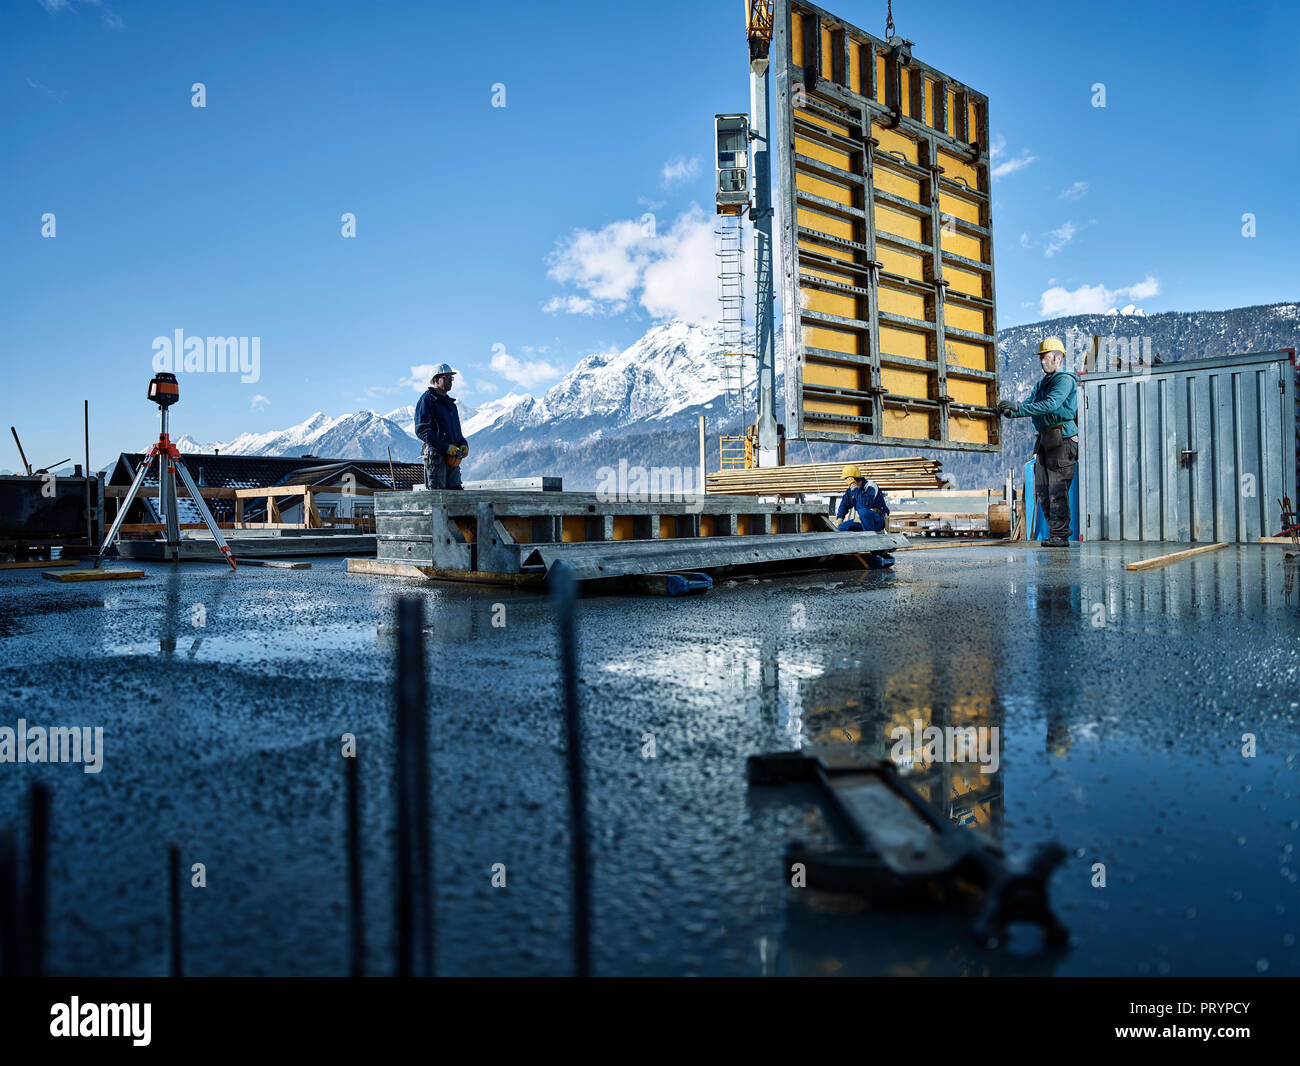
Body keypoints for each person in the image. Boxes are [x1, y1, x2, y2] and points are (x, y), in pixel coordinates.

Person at [998, 337, 1078, 547]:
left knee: (1057, 489)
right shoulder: (1041, 384)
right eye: (1041, 358)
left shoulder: (1064, 380)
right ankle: (1055, 534)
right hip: (1046, 440)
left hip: (1063, 440)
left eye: (1046, 357)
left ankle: (1060, 535)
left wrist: (1018, 408)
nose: (1042, 362)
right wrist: (1010, 412)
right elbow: (1028, 404)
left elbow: (1051, 405)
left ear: (1058, 357)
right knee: (1043, 489)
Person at [414, 363, 468, 490]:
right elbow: (421, 430)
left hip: (452, 458)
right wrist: (445, 446)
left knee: (456, 497)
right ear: (436, 380)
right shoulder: (427, 400)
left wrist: (463, 443)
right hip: (436, 458)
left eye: (451, 378)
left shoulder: (451, 405)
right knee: (439, 498)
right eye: (447, 377)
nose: (450, 380)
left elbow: (455, 432)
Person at [836, 464, 889, 531]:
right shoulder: (851, 490)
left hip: (877, 521)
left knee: (863, 511)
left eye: (847, 479)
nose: (847, 481)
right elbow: (844, 504)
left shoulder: (870, 486)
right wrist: (840, 518)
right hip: (862, 520)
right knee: (841, 527)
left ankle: (868, 537)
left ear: (852, 478)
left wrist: (854, 488)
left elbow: (866, 504)